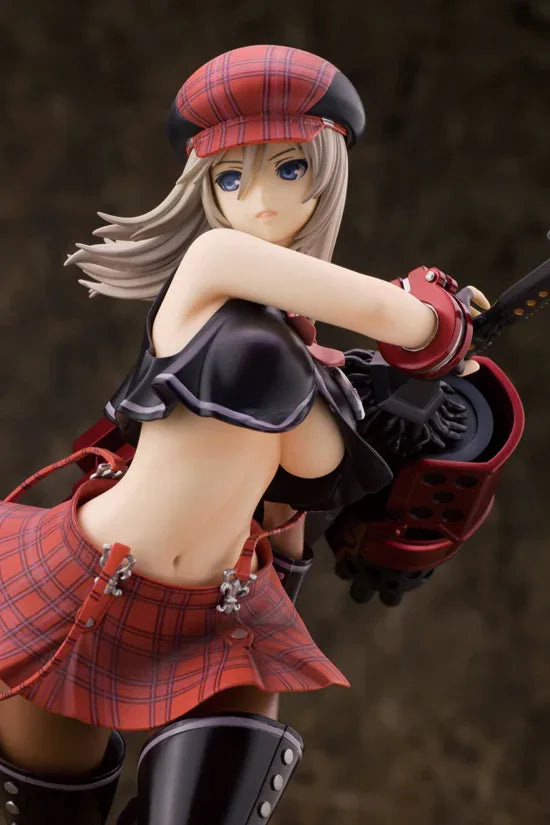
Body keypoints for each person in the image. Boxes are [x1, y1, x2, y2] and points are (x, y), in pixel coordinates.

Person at [0, 45, 489, 825]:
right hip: (94, 586)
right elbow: (398, 317)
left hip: (222, 612)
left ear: (327, 172)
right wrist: (439, 318)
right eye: (231, 177)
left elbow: (288, 509)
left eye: (288, 168)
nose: (258, 199)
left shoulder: (312, 363)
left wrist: (380, 410)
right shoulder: (212, 262)